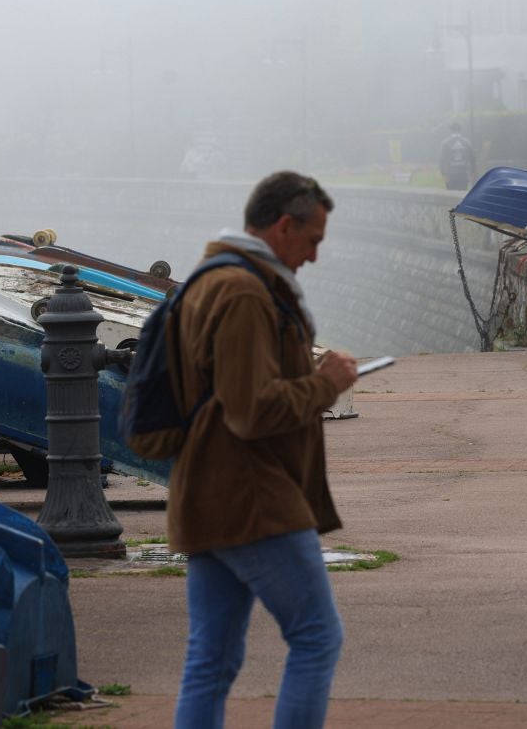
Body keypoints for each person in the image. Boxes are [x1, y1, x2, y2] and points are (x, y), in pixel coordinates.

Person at [170, 171, 360, 729]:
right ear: (283, 226)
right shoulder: (245, 293)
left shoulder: (211, 278)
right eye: (312, 240)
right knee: (317, 636)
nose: (314, 256)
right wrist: (324, 384)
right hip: (251, 495)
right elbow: (250, 410)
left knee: (211, 659)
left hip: (204, 489)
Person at [439, 123, 476, 191]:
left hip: (451, 175)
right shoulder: (467, 142)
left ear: (451, 130)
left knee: (451, 195)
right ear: (460, 130)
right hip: (463, 174)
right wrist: (472, 172)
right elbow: (473, 159)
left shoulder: (445, 143)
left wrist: (443, 173)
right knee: (462, 195)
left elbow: (442, 160)